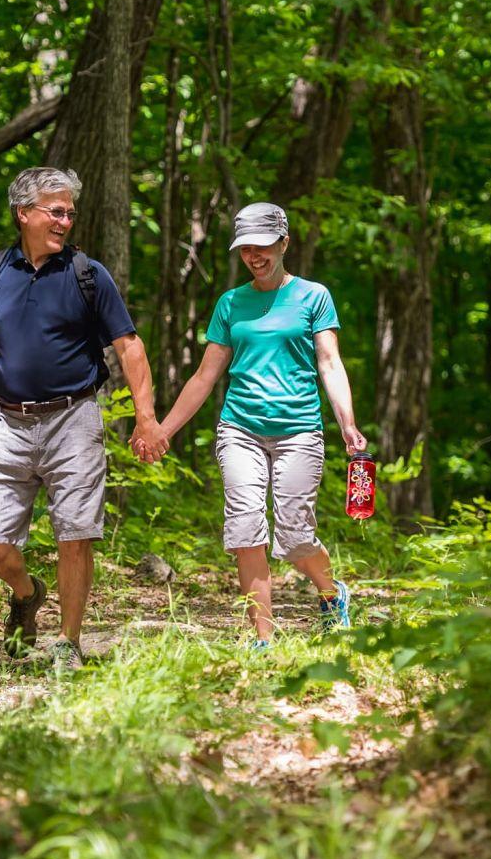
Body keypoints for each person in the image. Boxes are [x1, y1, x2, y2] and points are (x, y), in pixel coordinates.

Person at [0, 167, 167, 669]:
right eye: (56, 211)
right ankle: (27, 593)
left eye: (70, 213)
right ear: (24, 213)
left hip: (74, 419)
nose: (66, 221)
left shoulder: (88, 275)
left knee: (75, 533)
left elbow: (129, 346)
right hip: (4, 422)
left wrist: (147, 418)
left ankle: (68, 642)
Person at [153, 202, 364, 646]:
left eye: (263, 246)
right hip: (240, 430)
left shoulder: (313, 296)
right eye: (246, 248)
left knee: (295, 538)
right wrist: (163, 430)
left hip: (299, 430)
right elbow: (204, 376)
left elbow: (330, 363)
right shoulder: (231, 303)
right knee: (245, 530)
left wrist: (347, 423)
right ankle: (262, 640)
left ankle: (331, 593)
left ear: (284, 243)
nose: (254, 256)